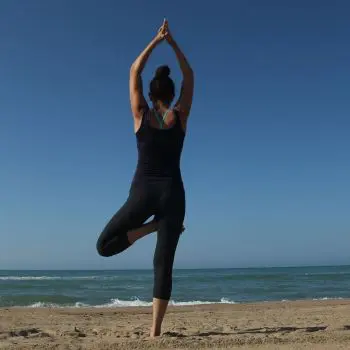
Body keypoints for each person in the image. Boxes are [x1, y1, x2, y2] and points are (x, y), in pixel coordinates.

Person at [96, 19, 194, 337]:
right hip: (173, 197)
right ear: (172, 92)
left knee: (104, 245)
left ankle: (151, 227)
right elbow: (190, 75)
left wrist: (155, 41)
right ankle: (155, 332)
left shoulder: (141, 115)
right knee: (163, 264)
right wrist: (174, 43)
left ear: (151, 95)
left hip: (142, 195)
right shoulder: (180, 117)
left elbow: (134, 71)